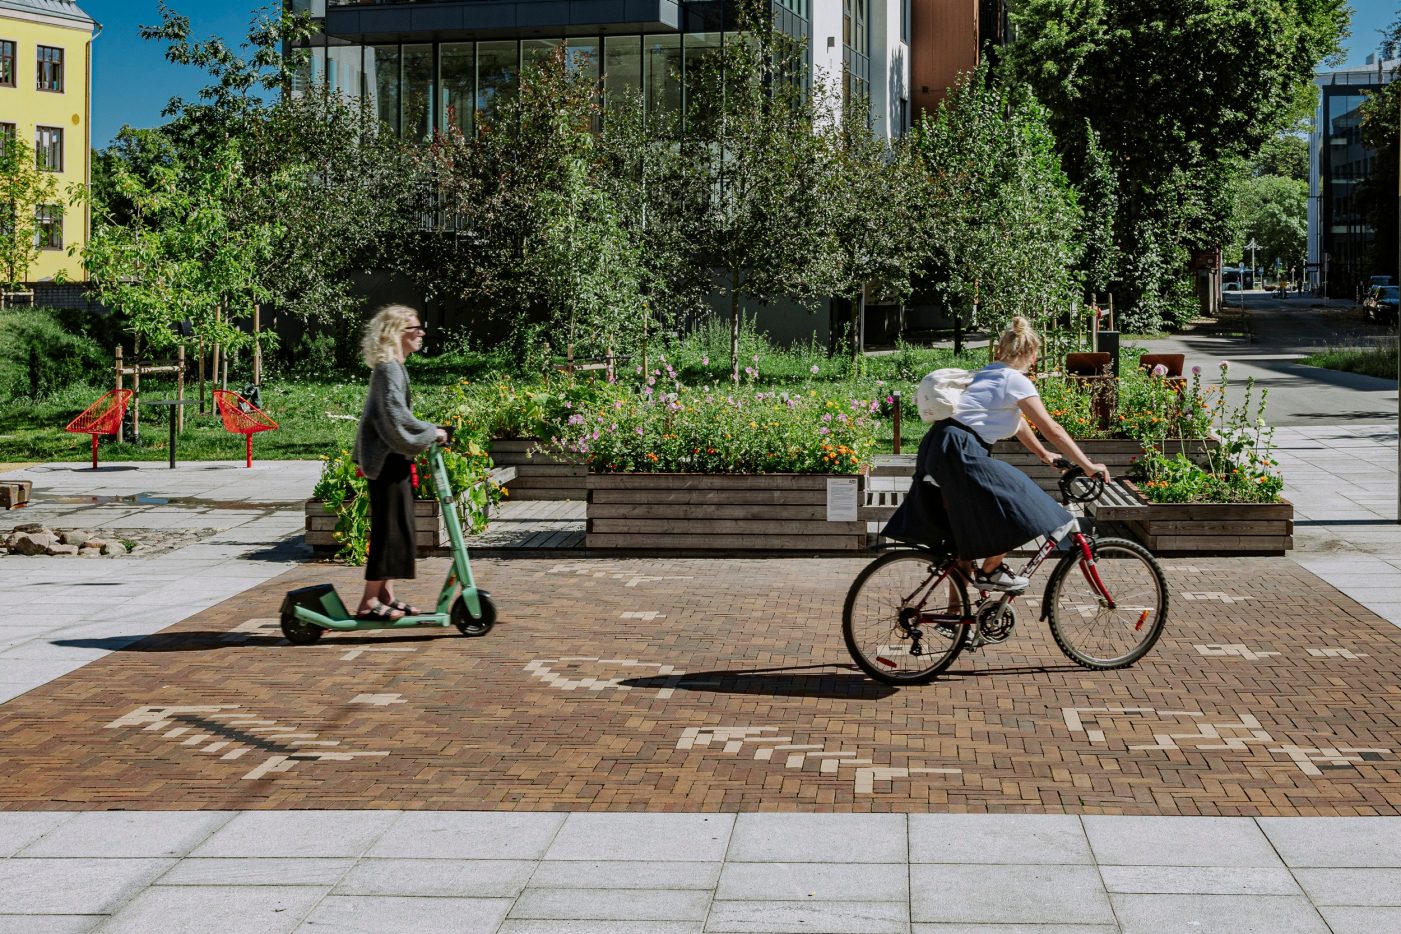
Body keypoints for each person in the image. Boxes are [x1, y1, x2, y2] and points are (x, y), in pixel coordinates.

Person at [883, 316, 1109, 597]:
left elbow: (1019, 422)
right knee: (1016, 499)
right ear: (1032, 353)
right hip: (961, 451)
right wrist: (1088, 465)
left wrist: (1044, 455)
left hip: (937, 447)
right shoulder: (1016, 381)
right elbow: (1052, 428)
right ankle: (992, 570)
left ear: (1001, 350)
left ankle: (957, 621)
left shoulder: (987, 374)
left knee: (965, 538)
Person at [352, 304, 447, 621]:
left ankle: (385, 595)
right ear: (397, 333)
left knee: (397, 530)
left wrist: (429, 431)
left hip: (393, 460)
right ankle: (368, 603)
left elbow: (399, 418)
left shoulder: (393, 367)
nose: (421, 333)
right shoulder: (388, 369)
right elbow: (394, 419)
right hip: (387, 462)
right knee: (388, 532)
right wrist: (432, 432)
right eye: (415, 328)